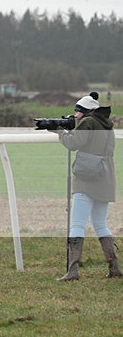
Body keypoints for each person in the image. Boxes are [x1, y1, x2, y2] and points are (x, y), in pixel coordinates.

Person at [55, 91, 121, 280]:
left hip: (86, 179)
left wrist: (60, 132)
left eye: (78, 111)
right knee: (101, 224)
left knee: (77, 224)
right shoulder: (107, 125)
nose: (76, 115)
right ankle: (114, 268)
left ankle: (73, 270)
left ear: (86, 111)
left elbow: (73, 143)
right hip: (105, 178)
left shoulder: (88, 122)